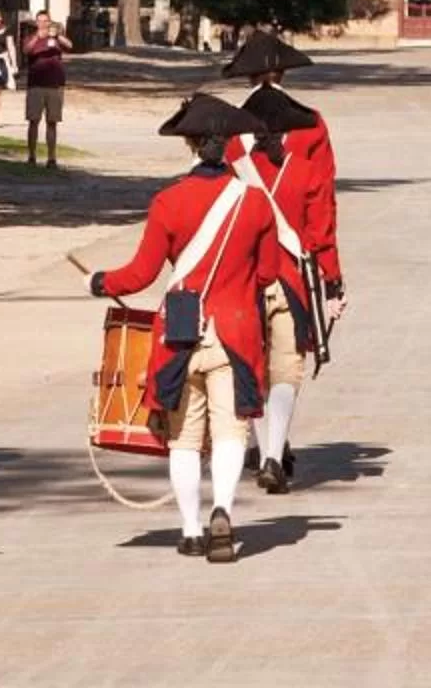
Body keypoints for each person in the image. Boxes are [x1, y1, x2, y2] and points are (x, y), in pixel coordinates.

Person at [88, 93, 293, 561]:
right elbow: (266, 274)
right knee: (230, 434)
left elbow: (139, 275)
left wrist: (99, 282)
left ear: (192, 145)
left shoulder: (168, 201)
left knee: (182, 438)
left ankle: (192, 529)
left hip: (180, 332)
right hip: (236, 332)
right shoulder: (256, 204)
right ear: (228, 146)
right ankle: (223, 508)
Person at [223, 30, 344, 493]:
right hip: (293, 267)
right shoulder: (312, 125)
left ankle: (265, 448)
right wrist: (332, 276)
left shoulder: (226, 129)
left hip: (242, 268)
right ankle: (273, 453)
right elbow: (322, 209)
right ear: (284, 73)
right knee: (287, 366)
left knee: (251, 358)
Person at [21, 12, 67, 168]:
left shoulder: (55, 37)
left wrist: (58, 36)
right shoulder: (30, 37)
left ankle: (52, 157)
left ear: (49, 22)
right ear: (36, 23)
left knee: (52, 122)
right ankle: (32, 156)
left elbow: (70, 45)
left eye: (45, 21)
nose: (43, 24)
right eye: (40, 21)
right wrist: (37, 37)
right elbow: (26, 51)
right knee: (33, 121)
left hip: (55, 85)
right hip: (36, 85)